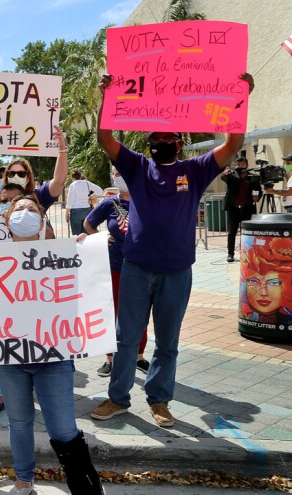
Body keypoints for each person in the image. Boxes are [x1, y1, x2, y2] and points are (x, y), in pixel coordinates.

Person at [90, 72, 254, 428]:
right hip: (135, 267)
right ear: (148, 143)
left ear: (179, 143)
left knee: (168, 342)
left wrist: (240, 96)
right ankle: (117, 399)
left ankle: (159, 400)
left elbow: (234, 141)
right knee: (125, 338)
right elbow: (105, 137)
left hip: (177, 273)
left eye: (167, 138)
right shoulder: (135, 166)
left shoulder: (195, 170)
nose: (160, 141)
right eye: (154, 138)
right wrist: (107, 96)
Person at [0, 194, 103, 495]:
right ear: (7, 220)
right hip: (8, 359)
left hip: (53, 358)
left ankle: (85, 486)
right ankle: (24, 481)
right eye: (19, 209)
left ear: (42, 221)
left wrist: (90, 253)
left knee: (63, 429)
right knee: (19, 422)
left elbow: (90, 291)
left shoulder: (63, 256)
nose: (25, 213)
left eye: (32, 209)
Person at [0, 128, 66, 412]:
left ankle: (38, 383)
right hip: (1, 278)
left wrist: (62, 149)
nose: (16, 177)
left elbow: (58, 181)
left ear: (30, 178)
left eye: (22, 173)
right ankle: (1, 390)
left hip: (34, 278)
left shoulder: (40, 197)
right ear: (5, 177)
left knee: (35, 332)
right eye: (12, 173)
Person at [84, 168, 150, 378]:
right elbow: (88, 223)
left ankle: (138, 356)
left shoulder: (147, 201)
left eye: (124, 171)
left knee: (141, 313)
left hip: (142, 266)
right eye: (115, 172)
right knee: (111, 312)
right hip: (113, 266)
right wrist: (101, 236)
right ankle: (110, 359)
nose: (120, 175)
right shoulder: (108, 203)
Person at [222, 157, 258, 263]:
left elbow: (258, 190)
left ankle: (244, 253)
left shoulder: (253, 177)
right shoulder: (232, 175)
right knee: (232, 232)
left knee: (245, 232)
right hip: (233, 208)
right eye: (238, 164)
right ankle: (230, 254)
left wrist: (257, 196)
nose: (240, 165)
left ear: (246, 165)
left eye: (242, 164)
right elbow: (224, 179)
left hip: (246, 208)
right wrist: (225, 173)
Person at [66, 169, 104, 235]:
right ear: (80, 176)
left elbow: (70, 201)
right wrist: (91, 196)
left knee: (76, 234)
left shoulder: (73, 185)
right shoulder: (86, 183)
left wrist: (66, 214)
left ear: (72, 177)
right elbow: (100, 191)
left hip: (76, 211)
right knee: (86, 234)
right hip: (87, 209)